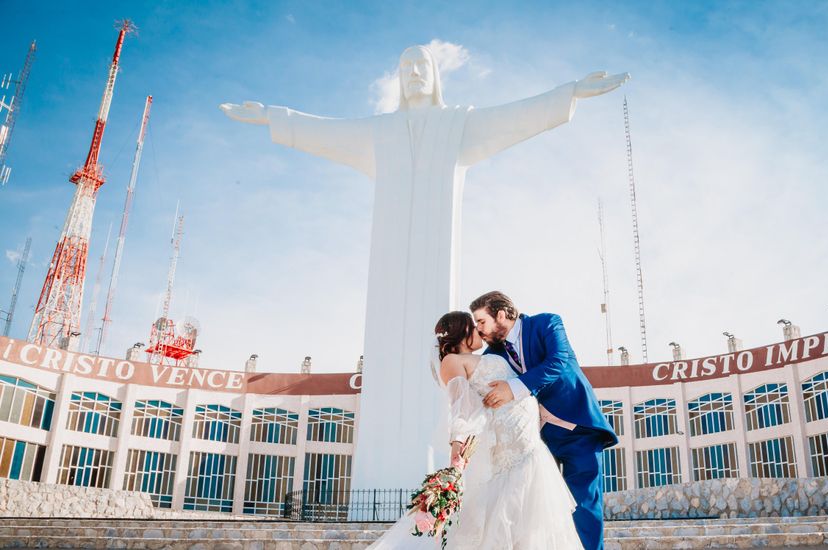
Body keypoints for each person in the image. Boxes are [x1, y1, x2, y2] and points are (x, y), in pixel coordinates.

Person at [220, 45, 629, 491]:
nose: (414, 73)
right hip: (388, 273)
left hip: (439, 260)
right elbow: (327, 131)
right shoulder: (379, 132)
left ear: (435, 76)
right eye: (405, 67)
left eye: (422, 66)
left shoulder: (457, 125)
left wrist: (568, 94)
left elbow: (515, 116)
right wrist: (275, 118)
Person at [369, 311, 582, 549]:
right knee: (511, 518)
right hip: (510, 450)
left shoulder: (486, 355)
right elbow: (462, 408)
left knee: (531, 524)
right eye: (473, 326)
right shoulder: (452, 361)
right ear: (461, 332)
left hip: (525, 442)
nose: (479, 329)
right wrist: (457, 449)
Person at [470, 291, 617, 550]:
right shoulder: (492, 355)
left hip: (577, 427)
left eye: (481, 321)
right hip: (534, 438)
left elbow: (558, 362)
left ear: (501, 314)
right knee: (537, 508)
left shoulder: (547, 323)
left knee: (583, 503)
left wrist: (513, 387)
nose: (478, 330)